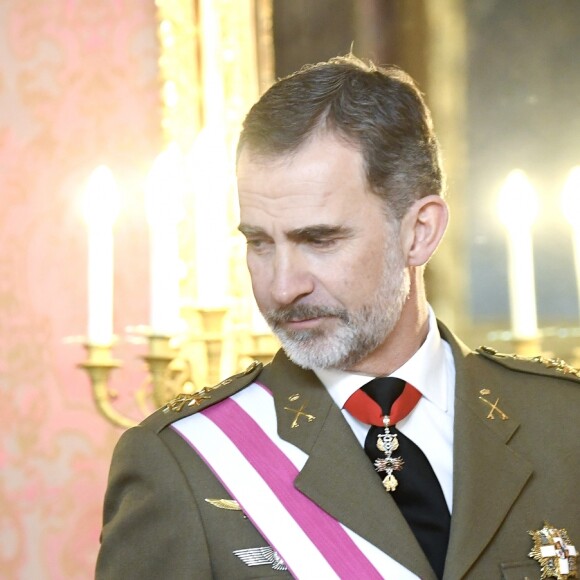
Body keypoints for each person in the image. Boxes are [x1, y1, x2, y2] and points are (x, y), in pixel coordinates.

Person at [96, 55, 580, 579]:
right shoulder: (182, 463)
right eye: (259, 243)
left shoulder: (564, 425)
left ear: (419, 232)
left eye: (319, 240)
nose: (282, 286)